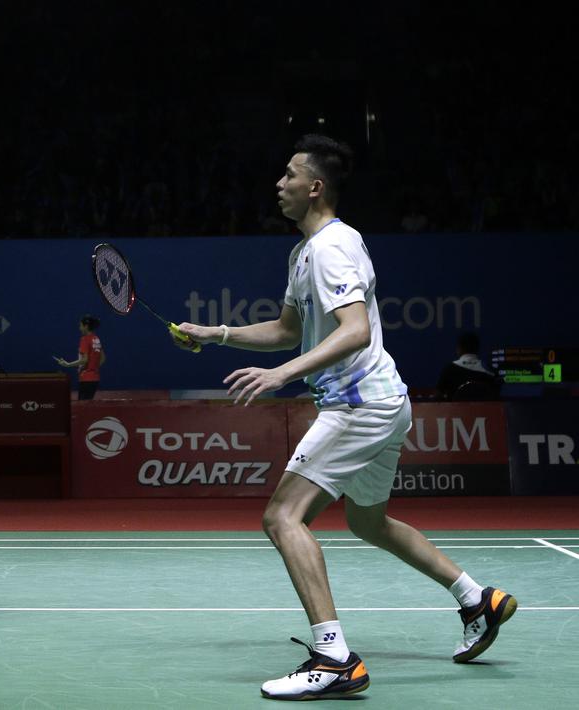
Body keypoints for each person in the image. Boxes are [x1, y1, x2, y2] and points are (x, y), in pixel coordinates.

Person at [175, 135, 515, 701]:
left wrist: (282, 376)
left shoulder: (334, 245)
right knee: (369, 523)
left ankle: (333, 657)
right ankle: (476, 598)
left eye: (288, 174)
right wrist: (216, 334)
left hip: (358, 403)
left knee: (282, 517)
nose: (277, 183)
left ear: (315, 186)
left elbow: (354, 330)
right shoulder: (304, 252)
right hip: (382, 401)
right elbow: (287, 330)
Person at [54, 314, 105, 400]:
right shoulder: (96, 339)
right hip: (95, 379)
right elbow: (103, 358)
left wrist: (67, 364)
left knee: (83, 409)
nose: (79, 328)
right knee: (87, 406)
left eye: (80, 325)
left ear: (86, 326)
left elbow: (84, 360)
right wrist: (93, 368)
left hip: (86, 379)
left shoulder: (84, 339)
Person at [436, 332, 500, 400]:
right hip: (486, 410)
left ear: (459, 348)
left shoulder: (449, 369)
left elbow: (438, 396)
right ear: (477, 349)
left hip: (456, 410)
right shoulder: (490, 370)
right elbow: (496, 395)